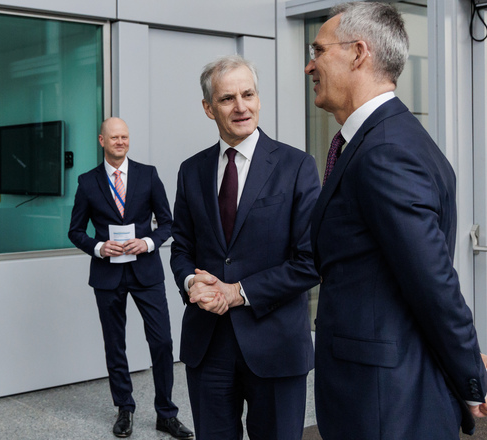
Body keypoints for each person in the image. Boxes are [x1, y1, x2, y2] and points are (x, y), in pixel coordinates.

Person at [305, 3, 487, 438]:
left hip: (385, 402)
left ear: (358, 53)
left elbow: (432, 281)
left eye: (318, 50)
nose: (310, 64)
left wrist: (472, 377)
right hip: (379, 388)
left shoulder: (386, 151)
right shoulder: (386, 139)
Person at [170, 55, 321, 439]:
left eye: (248, 94)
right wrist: (191, 283)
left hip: (275, 343)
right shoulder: (191, 170)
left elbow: (309, 261)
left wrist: (237, 293)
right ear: (208, 108)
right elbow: (182, 247)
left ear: (258, 98)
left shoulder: (297, 166)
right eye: (227, 99)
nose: (241, 107)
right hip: (208, 344)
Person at [68, 117, 193, 439]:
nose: (120, 142)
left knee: (162, 341)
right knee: (115, 345)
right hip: (107, 274)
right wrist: (98, 247)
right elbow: (75, 231)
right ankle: (125, 408)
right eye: (114, 137)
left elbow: (168, 223)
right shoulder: (87, 182)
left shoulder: (148, 175)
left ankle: (166, 413)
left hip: (146, 271)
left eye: (124, 137)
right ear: (102, 141)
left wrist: (148, 241)